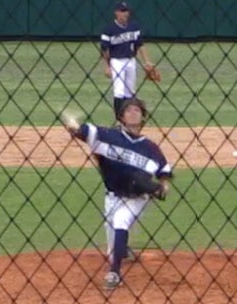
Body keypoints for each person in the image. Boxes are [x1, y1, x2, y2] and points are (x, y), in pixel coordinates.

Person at [61, 98, 172, 290]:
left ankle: (114, 273)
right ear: (121, 116)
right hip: (112, 198)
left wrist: (161, 188)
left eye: (137, 110)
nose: (133, 113)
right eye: (128, 110)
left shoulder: (151, 148)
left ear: (143, 116)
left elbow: (164, 176)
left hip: (137, 199)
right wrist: (72, 125)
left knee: (121, 221)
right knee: (114, 250)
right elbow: (81, 131)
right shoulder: (107, 136)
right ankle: (121, 253)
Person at [100, 2, 156, 120]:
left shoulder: (134, 27)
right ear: (116, 13)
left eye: (126, 11)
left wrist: (147, 61)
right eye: (122, 11)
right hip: (116, 61)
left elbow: (140, 45)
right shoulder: (109, 29)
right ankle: (119, 120)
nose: (125, 13)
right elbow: (104, 50)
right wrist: (106, 66)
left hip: (131, 61)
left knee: (130, 91)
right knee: (119, 90)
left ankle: (129, 119)